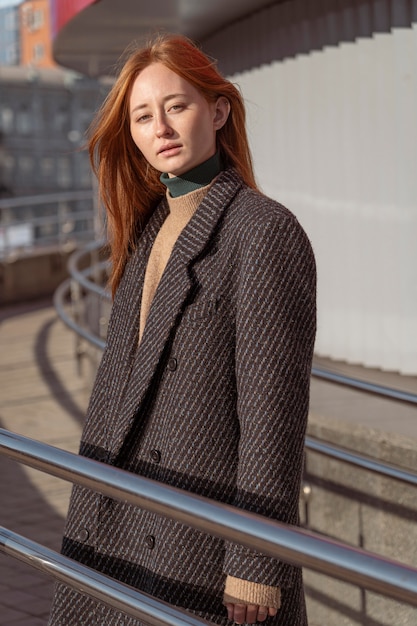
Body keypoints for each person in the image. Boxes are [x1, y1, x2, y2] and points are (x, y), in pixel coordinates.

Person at [48, 33, 316, 626]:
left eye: (177, 106)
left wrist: (257, 560)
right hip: (120, 511)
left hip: (202, 532)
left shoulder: (262, 231)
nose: (160, 128)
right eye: (143, 116)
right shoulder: (146, 232)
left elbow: (273, 413)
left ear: (218, 110)